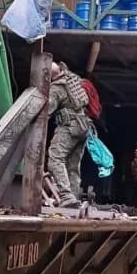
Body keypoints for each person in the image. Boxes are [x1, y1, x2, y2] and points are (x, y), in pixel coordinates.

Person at [47, 61, 91, 208]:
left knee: (55, 159)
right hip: (84, 126)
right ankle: (73, 198)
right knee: (73, 165)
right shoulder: (74, 78)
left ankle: (66, 195)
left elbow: (46, 110)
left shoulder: (57, 88)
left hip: (69, 127)